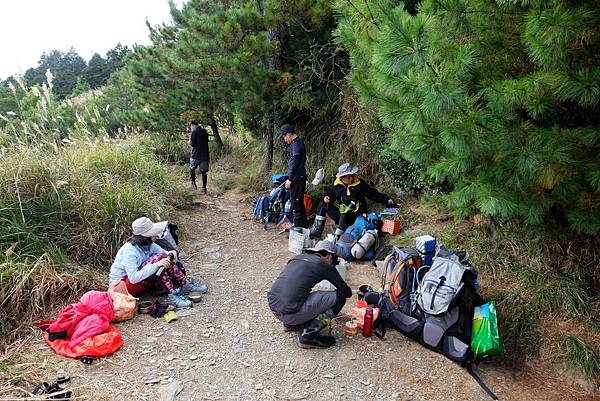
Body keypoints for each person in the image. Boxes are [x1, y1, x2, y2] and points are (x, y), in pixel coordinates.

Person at [267, 239, 352, 349]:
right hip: (290, 313)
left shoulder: (296, 258)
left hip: (275, 309)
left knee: (301, 291)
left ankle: (291, 325)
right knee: (340, 297)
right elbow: (347, 292)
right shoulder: (323, 264)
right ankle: (309, 334)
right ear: (329, 257)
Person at [108, 217, 207, 308]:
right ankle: (172, 294)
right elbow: (133, 278)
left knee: (162, 258)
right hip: (123, 287)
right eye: (153, 232)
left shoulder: (149, 245)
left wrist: (172, 253)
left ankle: (185, 284)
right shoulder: (129, 251)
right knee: (159, 259)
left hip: (139, 281)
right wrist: (156, 265)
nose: (156, 234)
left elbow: (165, 254)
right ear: (145, 236)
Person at [310, 163, 396, 239]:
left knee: (346, 212)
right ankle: (317, 231)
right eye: (348, 176)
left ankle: (338, 238)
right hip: (341, 216)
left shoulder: (360, 184)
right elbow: (330, 195)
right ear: (342, 177)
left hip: (357, 216)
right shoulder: (336, 186)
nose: (351, 178)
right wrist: (326, 198)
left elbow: (372, 194)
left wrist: (387, 199)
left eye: (352, 175)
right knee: (323, 205)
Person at [279, 124, 307, 228]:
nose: (284, 139)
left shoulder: (297, 144)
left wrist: (289, 179)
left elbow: (296, 161)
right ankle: (303, 227)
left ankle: (297, 230)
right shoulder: (297, 143)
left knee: (296, 204)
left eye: (284, 136)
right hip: (298, 177)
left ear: (289, 134)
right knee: (298, 203)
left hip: (297, 178)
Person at [189, 120, 210, 194]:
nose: (190, 128)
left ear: (192, 125)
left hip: (195, 155)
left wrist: (189, 142)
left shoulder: (194, 132)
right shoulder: (205, 132)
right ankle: (204, 188)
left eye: (190, 127)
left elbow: (193, 144)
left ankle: (193, 184)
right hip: (205, 155)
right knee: (204, 172)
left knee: (192, 169)